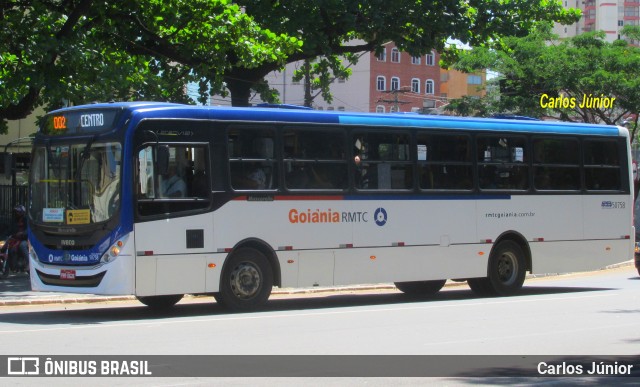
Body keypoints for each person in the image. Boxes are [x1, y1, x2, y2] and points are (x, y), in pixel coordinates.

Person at [1, 205, 29, 276]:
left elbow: (29, 230)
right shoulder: (14, 221)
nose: (17, 213)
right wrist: (5, 235)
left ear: (22, 212)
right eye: (16, 212)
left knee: (22, 246)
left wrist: (23, 233)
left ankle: (29, 264)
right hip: (15, 239)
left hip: (25, 239)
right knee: (6, 247)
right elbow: (10, 230)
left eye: (18, 212)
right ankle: (11, 266)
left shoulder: (26, 220)